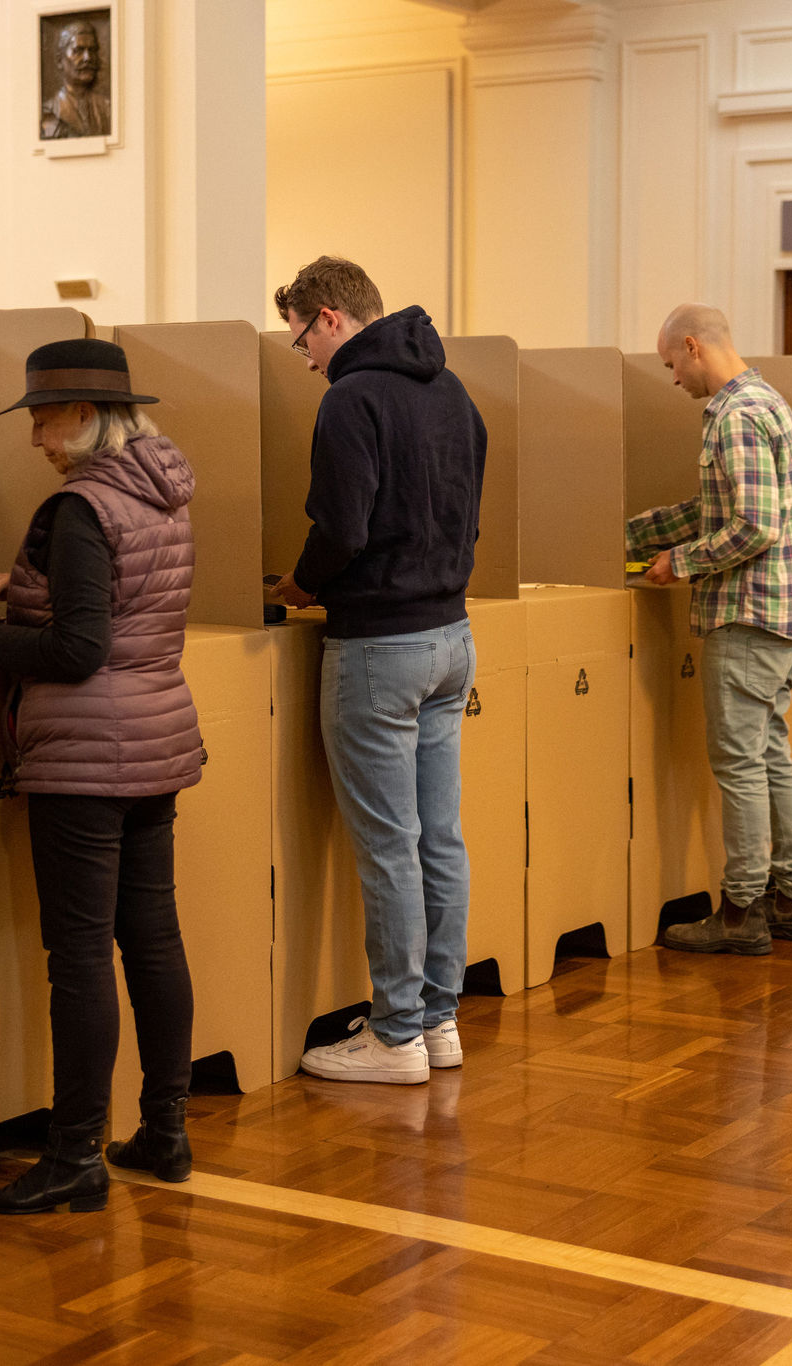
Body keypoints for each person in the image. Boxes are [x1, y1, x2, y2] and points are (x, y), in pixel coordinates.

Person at [0, 338, 201, 1211]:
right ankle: (164, 1131)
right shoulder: (158, 490)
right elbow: (124, 608)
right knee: (152, 939)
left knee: (80, 955)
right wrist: (15, 588)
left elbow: (81, 649)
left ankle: (74, 1154)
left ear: (86, 416)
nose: (34, 437)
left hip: (86, 756)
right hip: (155, 738)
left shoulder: (83, 507)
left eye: (43, 418)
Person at [272, 256, 485, 1086]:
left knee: (389, 846)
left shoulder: (351, 400)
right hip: (451, 636)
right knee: (440, 838)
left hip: (377, 647)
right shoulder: (454, 392)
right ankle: (438, 1021)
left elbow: (342, 527)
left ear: (328, 317)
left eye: (301, 343)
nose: (306, 359)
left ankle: (394, 1035)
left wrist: (301, 585)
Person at [626, 303, 792, 956]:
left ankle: (741, 913)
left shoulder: (732, 415)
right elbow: (718, 507)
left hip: (745, 617)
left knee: (739, 766)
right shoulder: (767, 401)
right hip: (784, 618)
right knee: (770, 758)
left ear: (692, 346)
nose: (673, 378)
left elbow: (753, 527)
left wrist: (678, 563)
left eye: (670, 364)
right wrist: (631, 533)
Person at [41, 18, 110, 138]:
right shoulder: (48, 110)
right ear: (59, 60)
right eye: (78, 51)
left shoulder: (107, 108)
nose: (88, 58)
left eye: (92, 50)